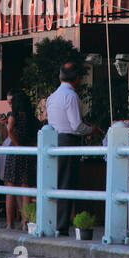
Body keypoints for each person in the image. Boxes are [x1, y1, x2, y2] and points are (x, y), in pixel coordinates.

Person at [45, 61, 90, 236]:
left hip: (52, 140)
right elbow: (76, 125)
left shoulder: (52, 97)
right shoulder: (70, 96)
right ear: (77, 79)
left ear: (59, 77)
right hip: (68, 140)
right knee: (66, 183)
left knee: (54, 183)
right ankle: (61, 225)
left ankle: (53, 221)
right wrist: (90, 129)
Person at [0, 90, 38, 230]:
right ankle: (24, 223)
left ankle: (10, 223)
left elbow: (9, 131)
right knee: (25, 188)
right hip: (27, 154)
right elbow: (35, 139)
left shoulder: (13, 116)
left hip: (15, 153)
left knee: (10, 189)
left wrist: (16, 144)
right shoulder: (32, 119)